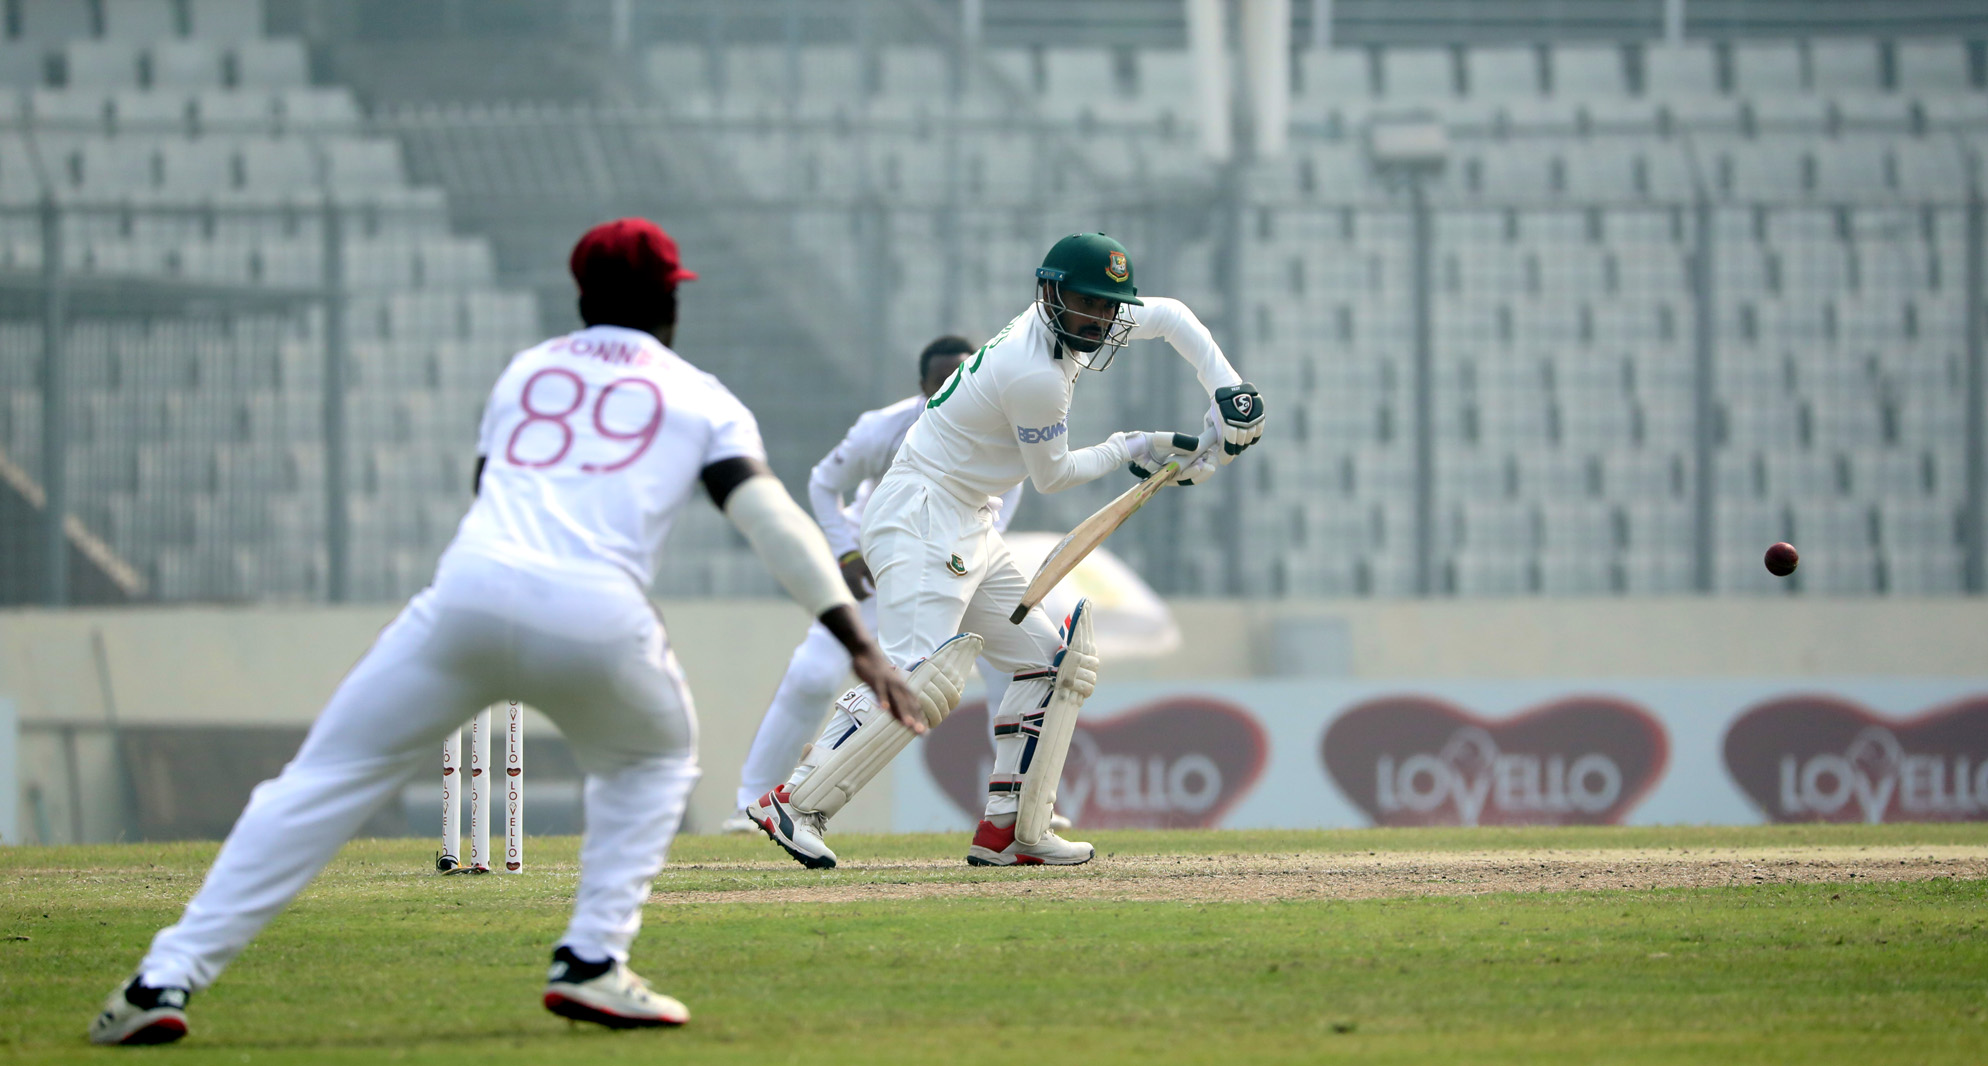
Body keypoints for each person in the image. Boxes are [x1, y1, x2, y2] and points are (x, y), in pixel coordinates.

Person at [86, 218, 924, 1046]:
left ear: (581, 293)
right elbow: (770, 518)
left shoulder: (526, 370)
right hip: (600, 615)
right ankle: (592, 958)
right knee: (652, 759)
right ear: (672, 301)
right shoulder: (702, 395)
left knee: (320, 780)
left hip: (468, 595)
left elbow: (491, 486)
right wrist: (856, 641)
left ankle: (164, 977)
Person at [746, 232, 1263, 868]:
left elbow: (1176, 316)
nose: (1098, 321)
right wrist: (1137, 446)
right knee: (918, 674)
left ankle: (1014, 829)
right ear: (1050, 294)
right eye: (1085, 305)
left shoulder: (1080, 320)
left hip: (970, 519)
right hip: (921, 513)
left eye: (1108, 308)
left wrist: (1229, 390)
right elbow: (1053, 476)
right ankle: (791, 802)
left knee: (1052, 665)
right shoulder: (1035, 374)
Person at [721, 336, 1029, 832]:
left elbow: (1001, 508)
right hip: (876, 572)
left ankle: (1019, 801)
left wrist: (968, 561)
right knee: (812, 675)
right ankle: (749, 804)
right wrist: (844, 551)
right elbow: (824, 482)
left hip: (950, 569)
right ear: (922, 385)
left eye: (962, 376)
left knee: (1017, 663)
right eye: (940, 381)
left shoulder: (1000, 429)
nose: (951, 387)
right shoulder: (882, 429)